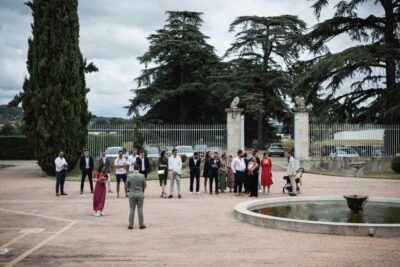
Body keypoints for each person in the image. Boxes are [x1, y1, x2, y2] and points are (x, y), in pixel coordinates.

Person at [127, 164, 147, 230]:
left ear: (133, 168)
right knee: (140, 209)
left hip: (132, 194)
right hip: (140, 194)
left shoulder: (129, 176)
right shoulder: (142, 176)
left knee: (132, 209)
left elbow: (127, 185)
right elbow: (145, 185)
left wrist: (130, 189)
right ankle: (141, 224)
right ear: (139, 169)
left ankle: (130, 224)